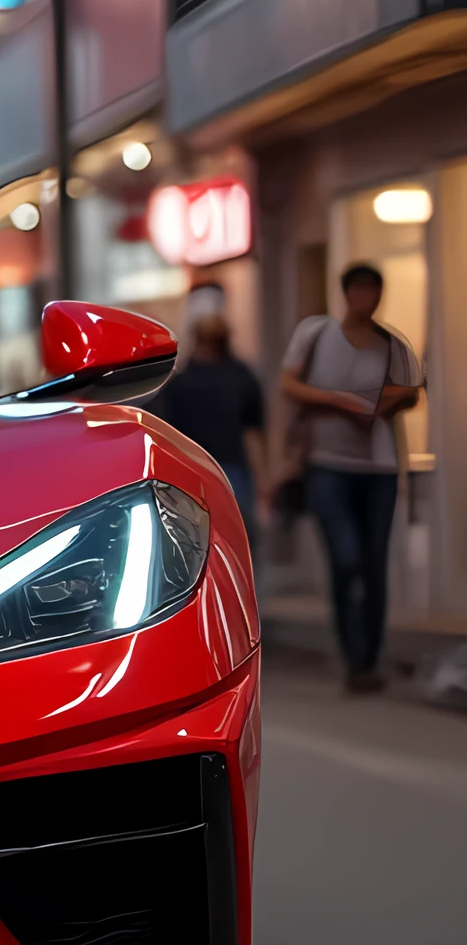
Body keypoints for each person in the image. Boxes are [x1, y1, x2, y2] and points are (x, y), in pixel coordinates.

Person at [281, 262, 423, 692]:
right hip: (327, 463)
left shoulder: (389, 343)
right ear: (346, 294)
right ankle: (350, 647)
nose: (368, 300)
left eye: (375, 292)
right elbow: (289, 385)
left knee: (374, 561)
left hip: (378, 466)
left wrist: (384, 404)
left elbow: (411, 391)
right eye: (361, 291)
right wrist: (339, 401)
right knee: (346, 557)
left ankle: (367, 659)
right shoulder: (317, 333)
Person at [156, 282, 268, 544]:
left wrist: (264, 479)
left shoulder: (242, 377)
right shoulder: (178, 383)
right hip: (190, 474)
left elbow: (253, 430)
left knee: (239, 541)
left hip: (233, 472)